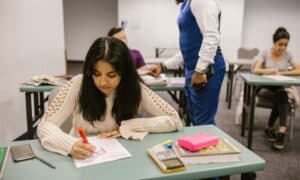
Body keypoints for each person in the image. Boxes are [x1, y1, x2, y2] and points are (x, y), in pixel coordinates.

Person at [37, 37, 183, 159]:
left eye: (111, 75)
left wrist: (129, 126)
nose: (103, 82)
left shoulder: (134, 88)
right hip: (84, 157)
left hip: (123, 156)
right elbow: (45, 126)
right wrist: (70, 144)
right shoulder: (78, 84)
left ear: (124, 73)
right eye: (96, 74)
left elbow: (174, 119)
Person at [154, 0, 226, 125]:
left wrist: (200, 70)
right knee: (193, 117)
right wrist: (164, 66)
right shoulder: (186, 5)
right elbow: (188, 49)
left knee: (203, 121)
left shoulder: (201, 1)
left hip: (206, 69)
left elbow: (211, 36)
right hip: (193, 69)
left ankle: (206, 143)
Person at [253, 27, 300, 150]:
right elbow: (256, 70)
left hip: (278, 88)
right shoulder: (265, 53)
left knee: (281, 95)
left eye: (286, 45)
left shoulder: (288, 54)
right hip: (264, 88)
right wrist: (271, 71)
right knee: (282, 97)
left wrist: (283, 74)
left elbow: (299, 70)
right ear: (274, 43)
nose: (283, 48)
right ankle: (271, 129)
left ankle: (280, 131)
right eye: (280, 44)